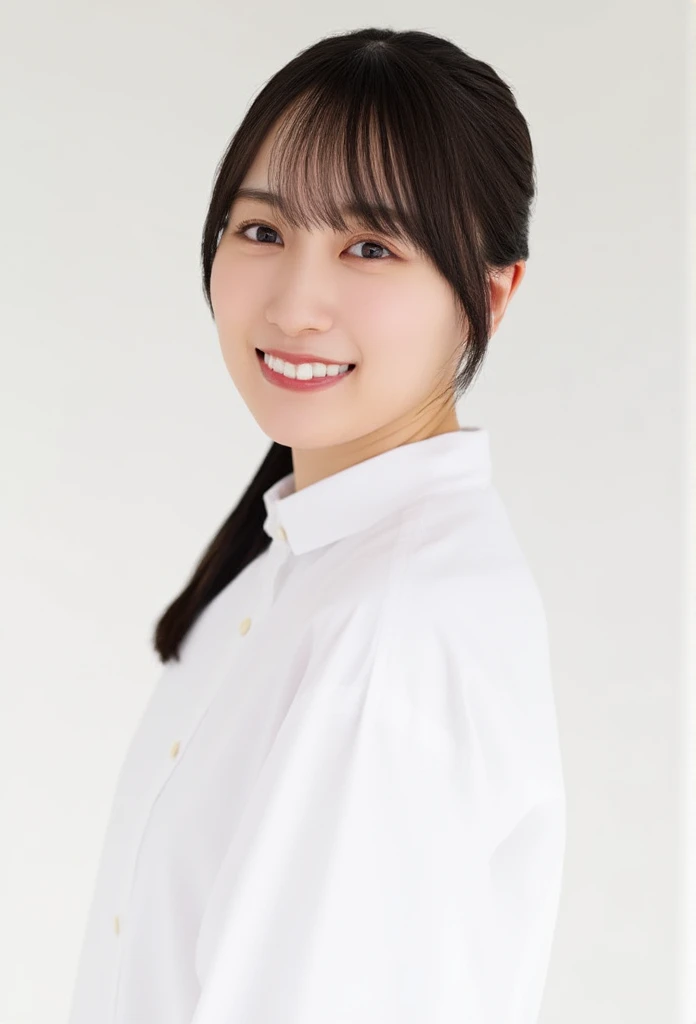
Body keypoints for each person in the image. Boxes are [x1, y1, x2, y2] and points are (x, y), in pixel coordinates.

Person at [67, 26, 566, 1024]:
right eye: (261, 231)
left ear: (491, 297)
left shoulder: (390, 633)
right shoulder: (293, 565)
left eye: (370, 246)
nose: (296, 302)